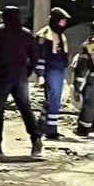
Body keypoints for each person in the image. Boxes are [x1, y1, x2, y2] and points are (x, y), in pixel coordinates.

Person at [0, 6, 43, 160]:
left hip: (2, 75)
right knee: (25, 108)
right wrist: (28, 72)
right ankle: (36, 139)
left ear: (4, 16)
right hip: (20, 75)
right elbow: (34, 55)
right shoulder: (26, 34)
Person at [34, 7, 72, 140]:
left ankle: (43, 125)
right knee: (54, 100)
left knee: (53, 100)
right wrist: (40, 75)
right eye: (62, 21)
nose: (64, 24)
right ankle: (51, 130)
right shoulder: (45, 35)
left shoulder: (60, 35)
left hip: (58, 69)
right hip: (50, 69)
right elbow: (39, 56)